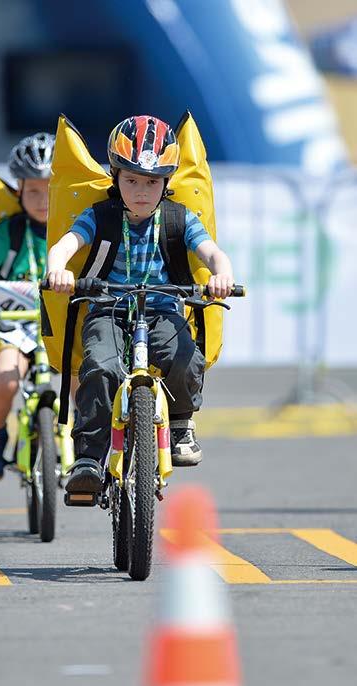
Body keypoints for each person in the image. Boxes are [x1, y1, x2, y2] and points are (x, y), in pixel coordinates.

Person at [46, 115, 235, 494]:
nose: (141, 191)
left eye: (151, 182)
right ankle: (88, 454)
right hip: (108, 309)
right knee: (100, 366)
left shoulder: (179, 219)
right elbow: (65, 245)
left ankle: (181, 423)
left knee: (185, 356)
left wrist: (221, 275)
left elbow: (213, 253)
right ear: (115, 177)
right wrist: (57, 269)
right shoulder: (100, 217)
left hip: (164, 309)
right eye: (131, 180)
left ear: (166, 183)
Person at [0, 132, 55, 480]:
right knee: (6, 379)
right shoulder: (10, 231)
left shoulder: (75, 227)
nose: (41, 198)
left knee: (85, 376)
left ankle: (87, 442)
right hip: (14, 322)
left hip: (60, 321)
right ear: (18, 190)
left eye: (49, 189)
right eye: (32, 190)